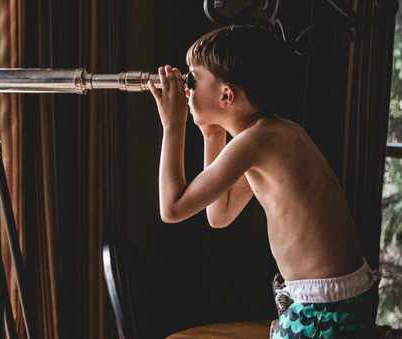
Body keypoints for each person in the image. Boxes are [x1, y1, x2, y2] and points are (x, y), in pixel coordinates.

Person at [148, 25, 379, 339]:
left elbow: (172, 209)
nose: (186, 89)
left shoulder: (256, 142)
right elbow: (220, 215)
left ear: (226, 95)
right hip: (335, 297)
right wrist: (211, 134)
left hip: (323, 303)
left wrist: (173, 125)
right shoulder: (271, 134)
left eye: (193, 79)